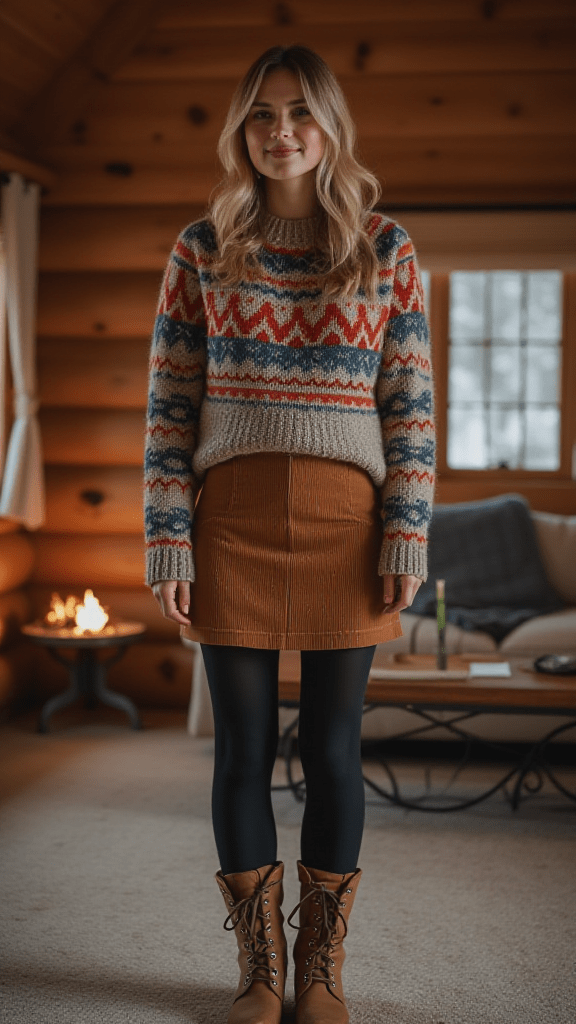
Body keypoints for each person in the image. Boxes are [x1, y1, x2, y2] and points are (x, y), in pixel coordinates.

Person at [144, 44, 436, 1024]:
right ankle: (260, 970)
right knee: (240, 750)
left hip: (343, 523)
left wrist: (406, 529)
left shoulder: (385, 248)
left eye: (300, 114)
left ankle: (322, 969)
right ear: (241, 129)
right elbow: (169, 406)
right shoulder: (202, 246)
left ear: (331, 128)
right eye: (263, 115)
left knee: (336, 749)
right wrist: (168, 534)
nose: (281, 133)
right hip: (228, 521)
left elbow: (411, 406)